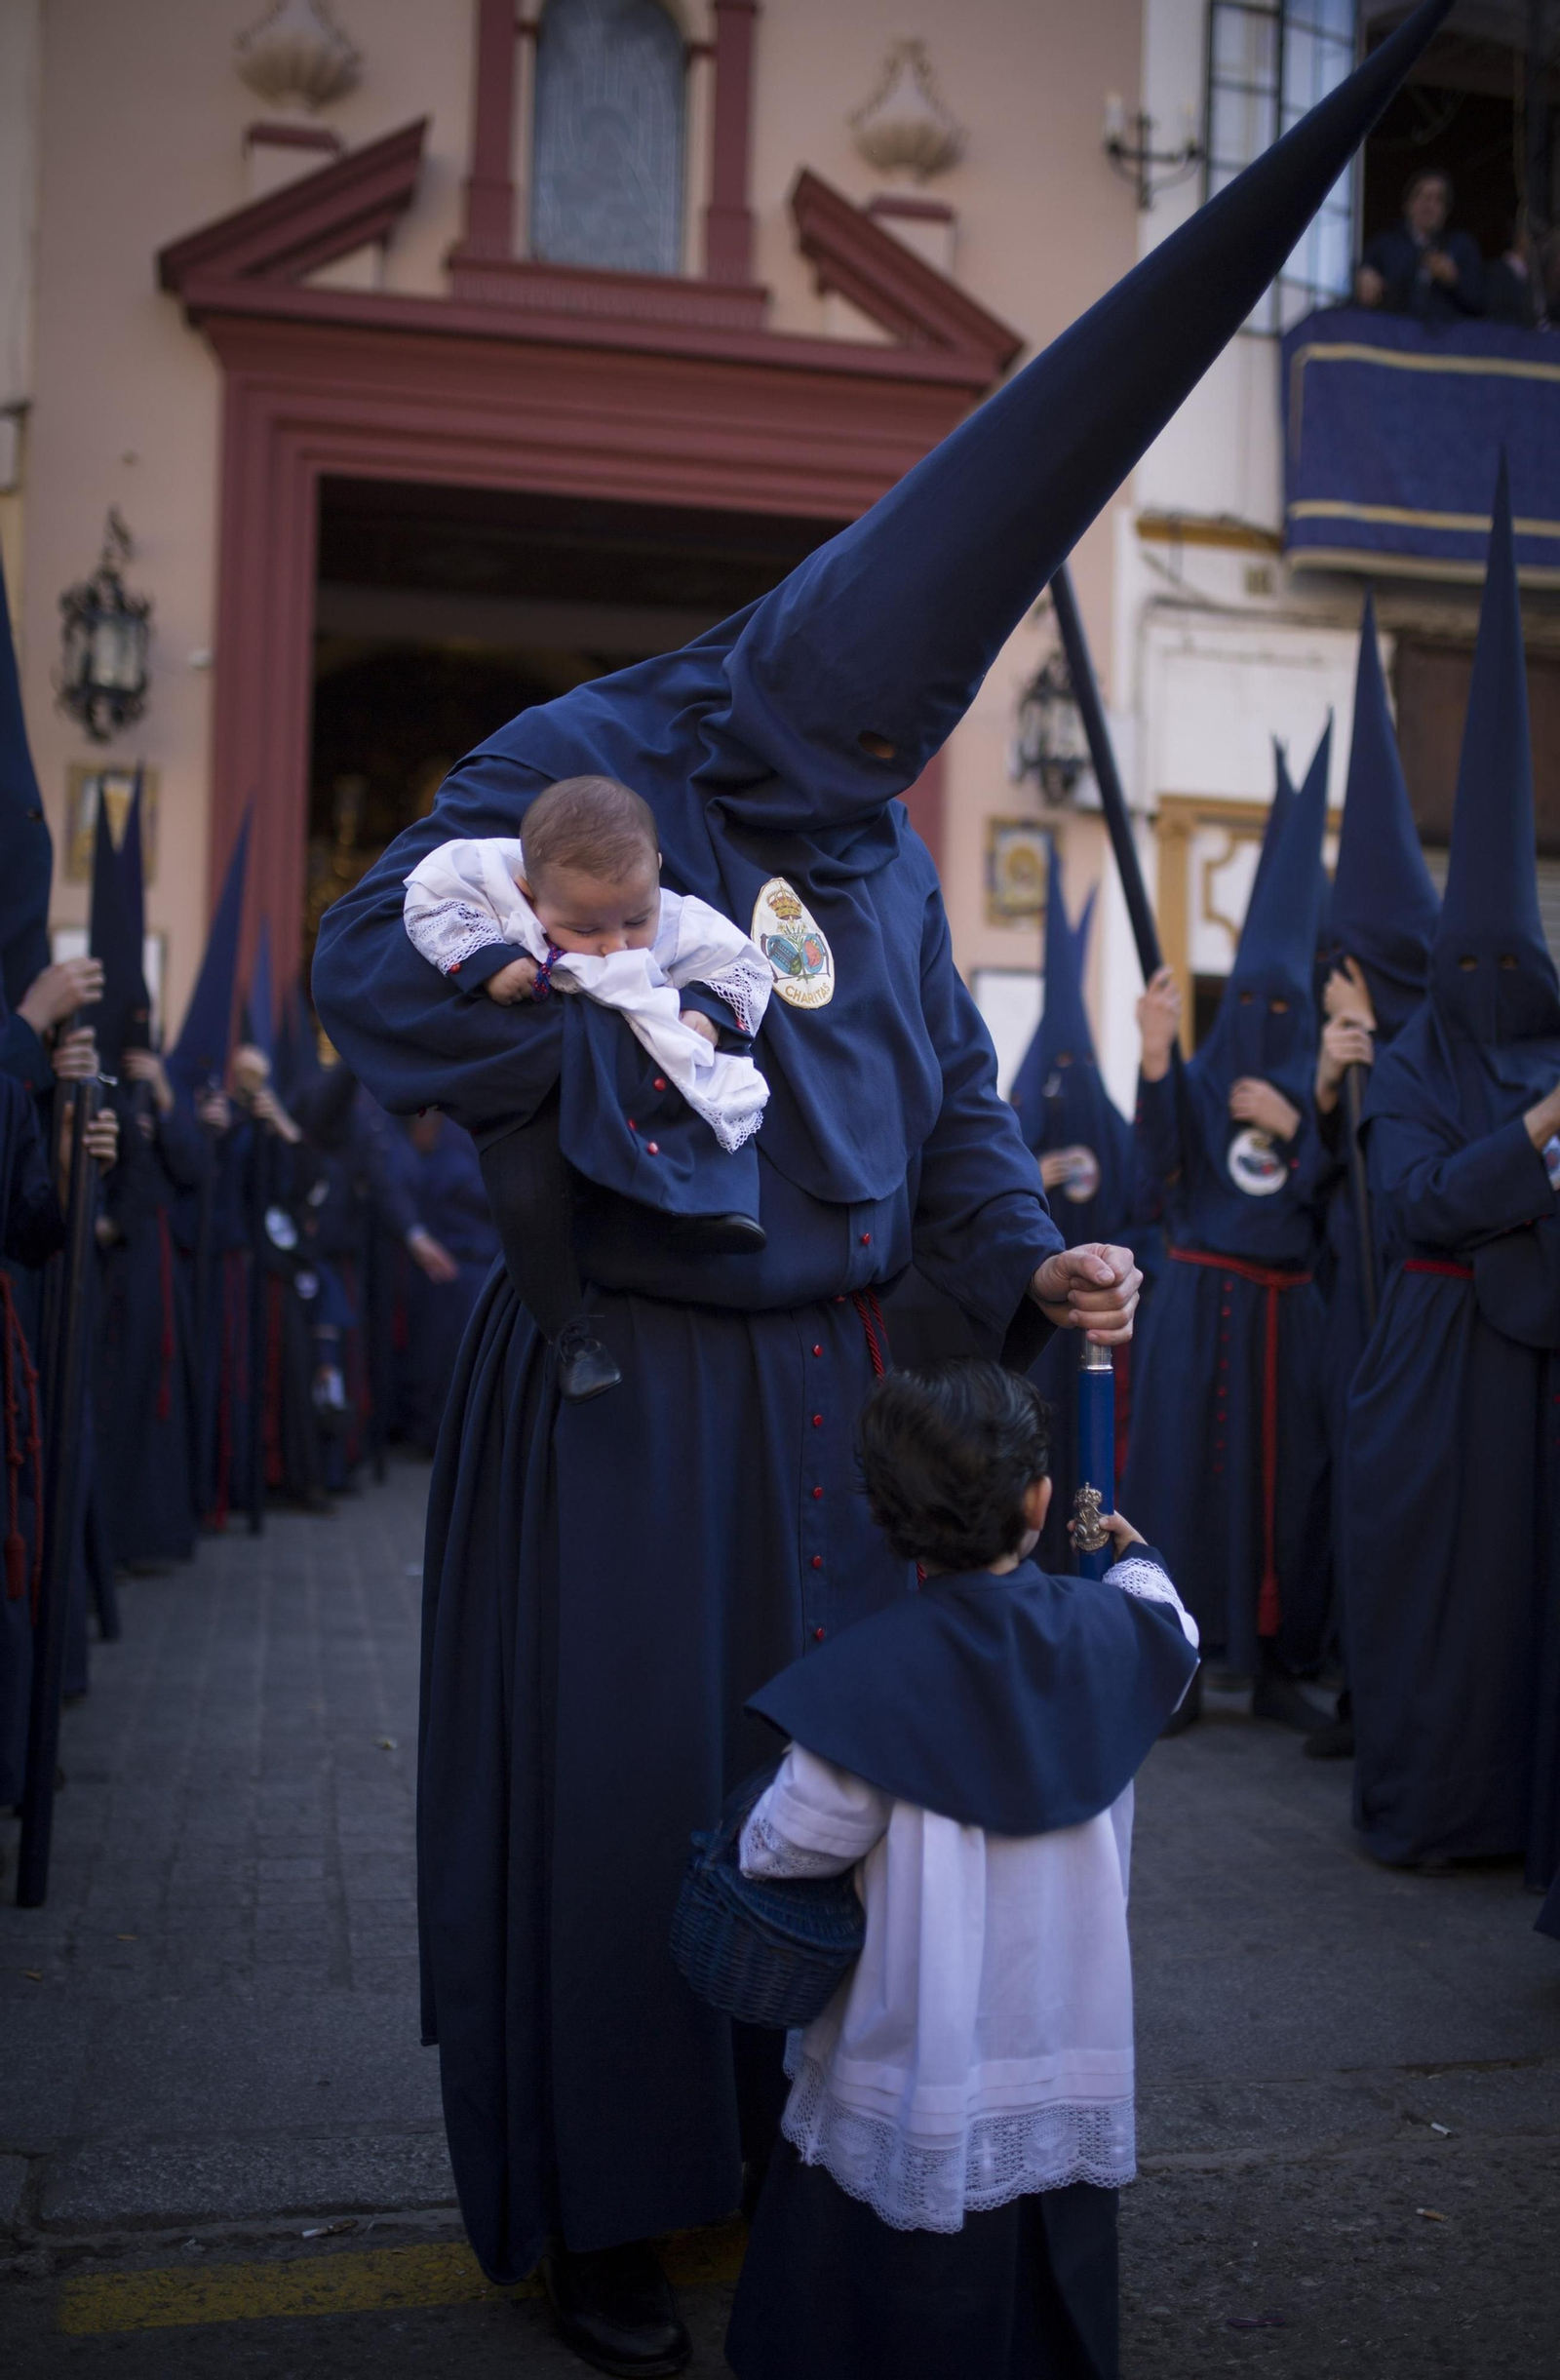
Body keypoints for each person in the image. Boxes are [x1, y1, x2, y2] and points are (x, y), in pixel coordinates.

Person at [309, 14, 1454, 2368]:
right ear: (776, 680)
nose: (865, 797)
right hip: (622, 1394)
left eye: (891, 773)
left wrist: (1035, 1252)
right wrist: (601, 1003)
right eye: (837, 762)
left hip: (838, 1397)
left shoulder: (883, 850)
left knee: (795, 1787)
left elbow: (939, 1110)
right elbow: (377, 971)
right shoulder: (580, 753)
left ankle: (751, 2133)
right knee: (627, 1793)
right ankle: (601, 2204)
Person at [725, 1359, 1198, 2380]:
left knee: (899, 2301)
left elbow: (784, 1844)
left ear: (887, 1518)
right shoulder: (1113, 1637)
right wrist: (1134, 1552)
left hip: (918, 2052)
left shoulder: (866, 1680)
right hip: (1065, 2032)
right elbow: (1175, 1630)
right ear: (1039, 1500)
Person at [1343, 460, 1560, 1887]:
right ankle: (1439, 1812)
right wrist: (1536, 1136)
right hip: (1435, 1361)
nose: (1485, 986)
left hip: (1540, 1366)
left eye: (1510, 963)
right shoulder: (1419, 1058)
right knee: (1449, 1599)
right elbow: (1418, 1198)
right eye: (1463, 962)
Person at [403, 775, 773, 1400]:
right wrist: (490, 962)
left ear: (655, 873)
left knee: (712, 1111)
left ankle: (709, 1210)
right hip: (538, 1086)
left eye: (636, 919)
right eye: (584, 927)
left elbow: (744, 966)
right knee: (525, 1194)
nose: (617, 944)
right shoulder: (492, 878)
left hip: (640, 1067)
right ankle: (570, 1337)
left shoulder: (681, 920)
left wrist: (708, 1012)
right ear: (529, 891)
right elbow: (428, 901)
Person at [1119, 749, 1333, 1732]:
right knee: (1184, 1487)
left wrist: (1305, 1126)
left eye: (1279, 1007)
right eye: (1247, 1000)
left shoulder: (1318, 1094)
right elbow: (1155, 1165)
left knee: (1285, 1493)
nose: (1262, 1021)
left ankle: (1278, 1663)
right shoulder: (1202, 1082)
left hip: (1286, 1322)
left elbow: (1343, 1198)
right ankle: (1185, 1667)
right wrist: (1157, 1055)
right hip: (1198, 1315)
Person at [1306, 594, 1440, 1760]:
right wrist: (1323, 1086)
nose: (1344, 984)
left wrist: (1379, 1058)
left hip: (1423, 1306)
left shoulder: (1433, 1054)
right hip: (1351, 1302)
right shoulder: (1337, 1050)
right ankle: (1355, 1679)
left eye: (1361, 971)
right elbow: (1312, 1192)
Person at [1009, 845, 1150, 1568]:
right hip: (1035, 1323)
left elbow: (1139, 1193)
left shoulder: (1105, 1115)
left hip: (1095, 1325)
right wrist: (1034, 1169)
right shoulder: (1020, 1108)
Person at [1354, 169, 1485, 324]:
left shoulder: (1462, 247)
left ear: (1446, 210)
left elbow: (1480, 303)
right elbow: (1361, 284)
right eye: (1423, 196)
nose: (1429, 205)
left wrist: (1454, 280)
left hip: (1444, 342)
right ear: (1407, 204)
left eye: (1438, 199)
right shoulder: (1384, 245)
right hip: (1392, 339)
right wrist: (1364, 276)